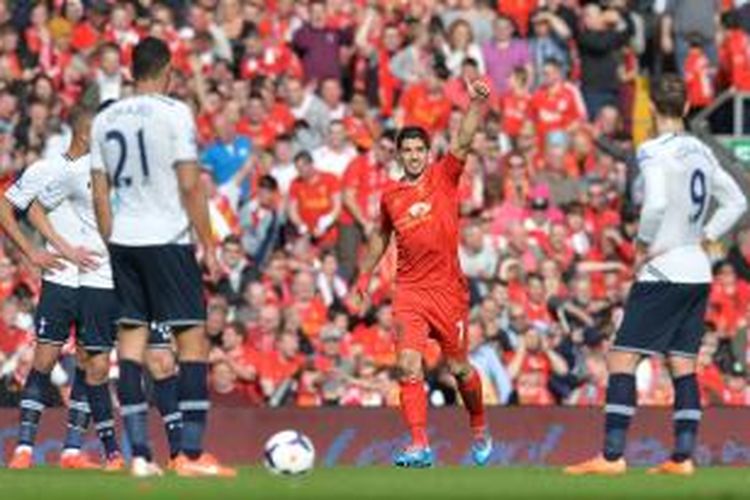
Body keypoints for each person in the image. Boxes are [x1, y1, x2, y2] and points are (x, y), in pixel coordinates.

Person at [565, 75, 747, 476]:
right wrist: (706, 236)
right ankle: (682, 458)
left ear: (651, 110)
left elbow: (657, 203)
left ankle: (612, 456)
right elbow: (736, 200)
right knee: (682, 363)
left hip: (663, 268)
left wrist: (643, 245)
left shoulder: (652, 150)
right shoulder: (702, 149)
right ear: (685, 108)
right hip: (697, 269)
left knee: (621, 359)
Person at [90, 37, 234, 478]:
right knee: (192, 343)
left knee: (130, 344)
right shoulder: (174, 113)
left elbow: (99, 191)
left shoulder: (105, 117)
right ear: (168, 70)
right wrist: (208, 245)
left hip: (125, 240)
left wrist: (113, 238)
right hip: (168, 239)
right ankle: (190, 455)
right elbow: (190, 184)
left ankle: (139, 456)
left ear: (132, 70)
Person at [353, 78, 493, 468]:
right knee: (407, 365)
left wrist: (476, 105)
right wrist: (363, 277)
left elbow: (463, 140)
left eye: (419, 149)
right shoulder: (391, 196)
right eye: (407, 150)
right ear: (399, 155)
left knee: (459, 368)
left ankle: (479, 426)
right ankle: (419, 444)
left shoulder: (444, 177)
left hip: (448, 292)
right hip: (410, 291)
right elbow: (381, 237)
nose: (414, 156)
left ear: (428, 153)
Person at [0, 105, 124, 471]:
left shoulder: (104, 172)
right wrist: (35, 251)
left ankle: (72, 450)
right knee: (44, 359)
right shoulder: (53, 169)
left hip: (98, 281)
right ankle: (24, 447)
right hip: (60, 278)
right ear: (87, 134)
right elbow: (16, 207)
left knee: (89, 362)